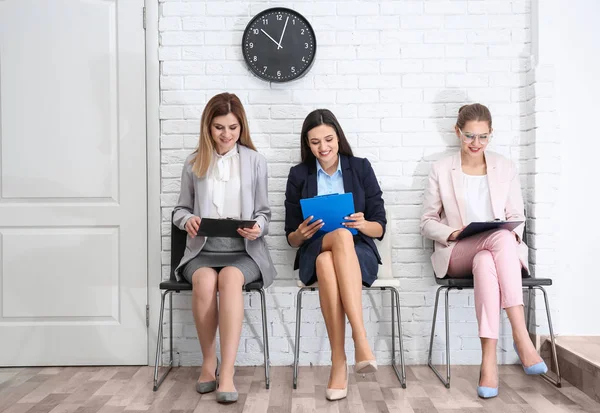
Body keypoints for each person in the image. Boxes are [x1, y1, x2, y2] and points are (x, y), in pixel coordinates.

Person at [420, 103, 548, 399]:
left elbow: (517, 216)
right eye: (469, 136)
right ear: (457, 133)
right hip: (456, 251)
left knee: (490, 253)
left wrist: (505, 232)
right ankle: (521, 336)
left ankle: (488, 362)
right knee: (497, 243)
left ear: (491, 134)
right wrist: (453, 232)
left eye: (483, 137)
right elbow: (426, 222)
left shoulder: (505, 166)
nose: (476, 144)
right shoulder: (441, 169)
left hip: (492, 256)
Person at [172, 92, 276, 404]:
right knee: (204, 281)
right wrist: (187, 219)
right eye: (219, 127)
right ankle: (208, 363)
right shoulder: (194, 163)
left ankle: (227, 372)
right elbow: (179, 210)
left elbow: (265, 213)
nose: (226, 134)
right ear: (208, 127)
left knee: (230, 279)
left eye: (232, 127)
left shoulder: (256, 162)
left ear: (241, 127)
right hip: (202, 249)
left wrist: (258, 226)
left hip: (244, 251)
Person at [285, 109, 386, 401]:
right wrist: (301, 234)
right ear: (307, 144)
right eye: (315, 142)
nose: (323, 147)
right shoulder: (299, 174)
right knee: (331, 244)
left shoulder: (361, 168)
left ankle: (338, 362)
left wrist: (362, 224)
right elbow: (290, 236)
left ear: (338, 138)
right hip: (313, 247)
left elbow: (379, 227)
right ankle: (360, 337)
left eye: (328, 139)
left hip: (357, 254)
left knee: (328, 259)